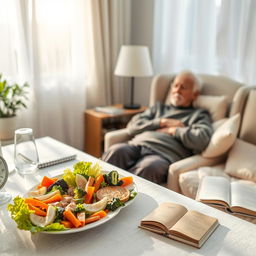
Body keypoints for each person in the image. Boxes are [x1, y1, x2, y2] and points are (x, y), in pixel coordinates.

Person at [102, 70, 213, 184]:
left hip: (163, 154)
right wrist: (161, 122)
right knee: (115, 151)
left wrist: (174, 130)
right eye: (175, 85)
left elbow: (201, 139)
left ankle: (127, 196)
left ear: (195, 94)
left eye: (183, 87)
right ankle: (98, 192)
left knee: (149, 167)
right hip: (137, 145)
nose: (177, 90)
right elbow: (132, 126)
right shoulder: (158, 108)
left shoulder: (199, 115)